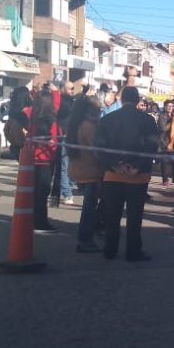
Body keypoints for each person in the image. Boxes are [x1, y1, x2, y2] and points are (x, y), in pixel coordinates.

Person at [95, 87, 159, 261]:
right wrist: (137, 167)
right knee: (134, 216)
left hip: (112, 175)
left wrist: (114, 166)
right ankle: (133, 250)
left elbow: (99, 147)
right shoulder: (147, 120)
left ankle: (110, 249)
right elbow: (151, 147)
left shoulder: (107, 119)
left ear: (121, 100)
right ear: (138, 100)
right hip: (137, 177)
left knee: (112, 214)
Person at [66, 94, 104, 252]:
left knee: (91, 207)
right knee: (89, 209)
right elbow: (97, 151)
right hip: (91, 171)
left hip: (79, 169)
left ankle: (92, 232)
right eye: (99, 109)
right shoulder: (89, 126)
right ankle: (85, 239)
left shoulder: (75, 124)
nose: (101, 112)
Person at [25, 85, 62, 233]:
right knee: (42, 193)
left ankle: (32, 219)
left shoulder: (29, 114)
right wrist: (55, 90)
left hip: (31, 158)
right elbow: (58, 103)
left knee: (34, 192)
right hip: (45, 160)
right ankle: (40, 222)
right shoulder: (51, 118)